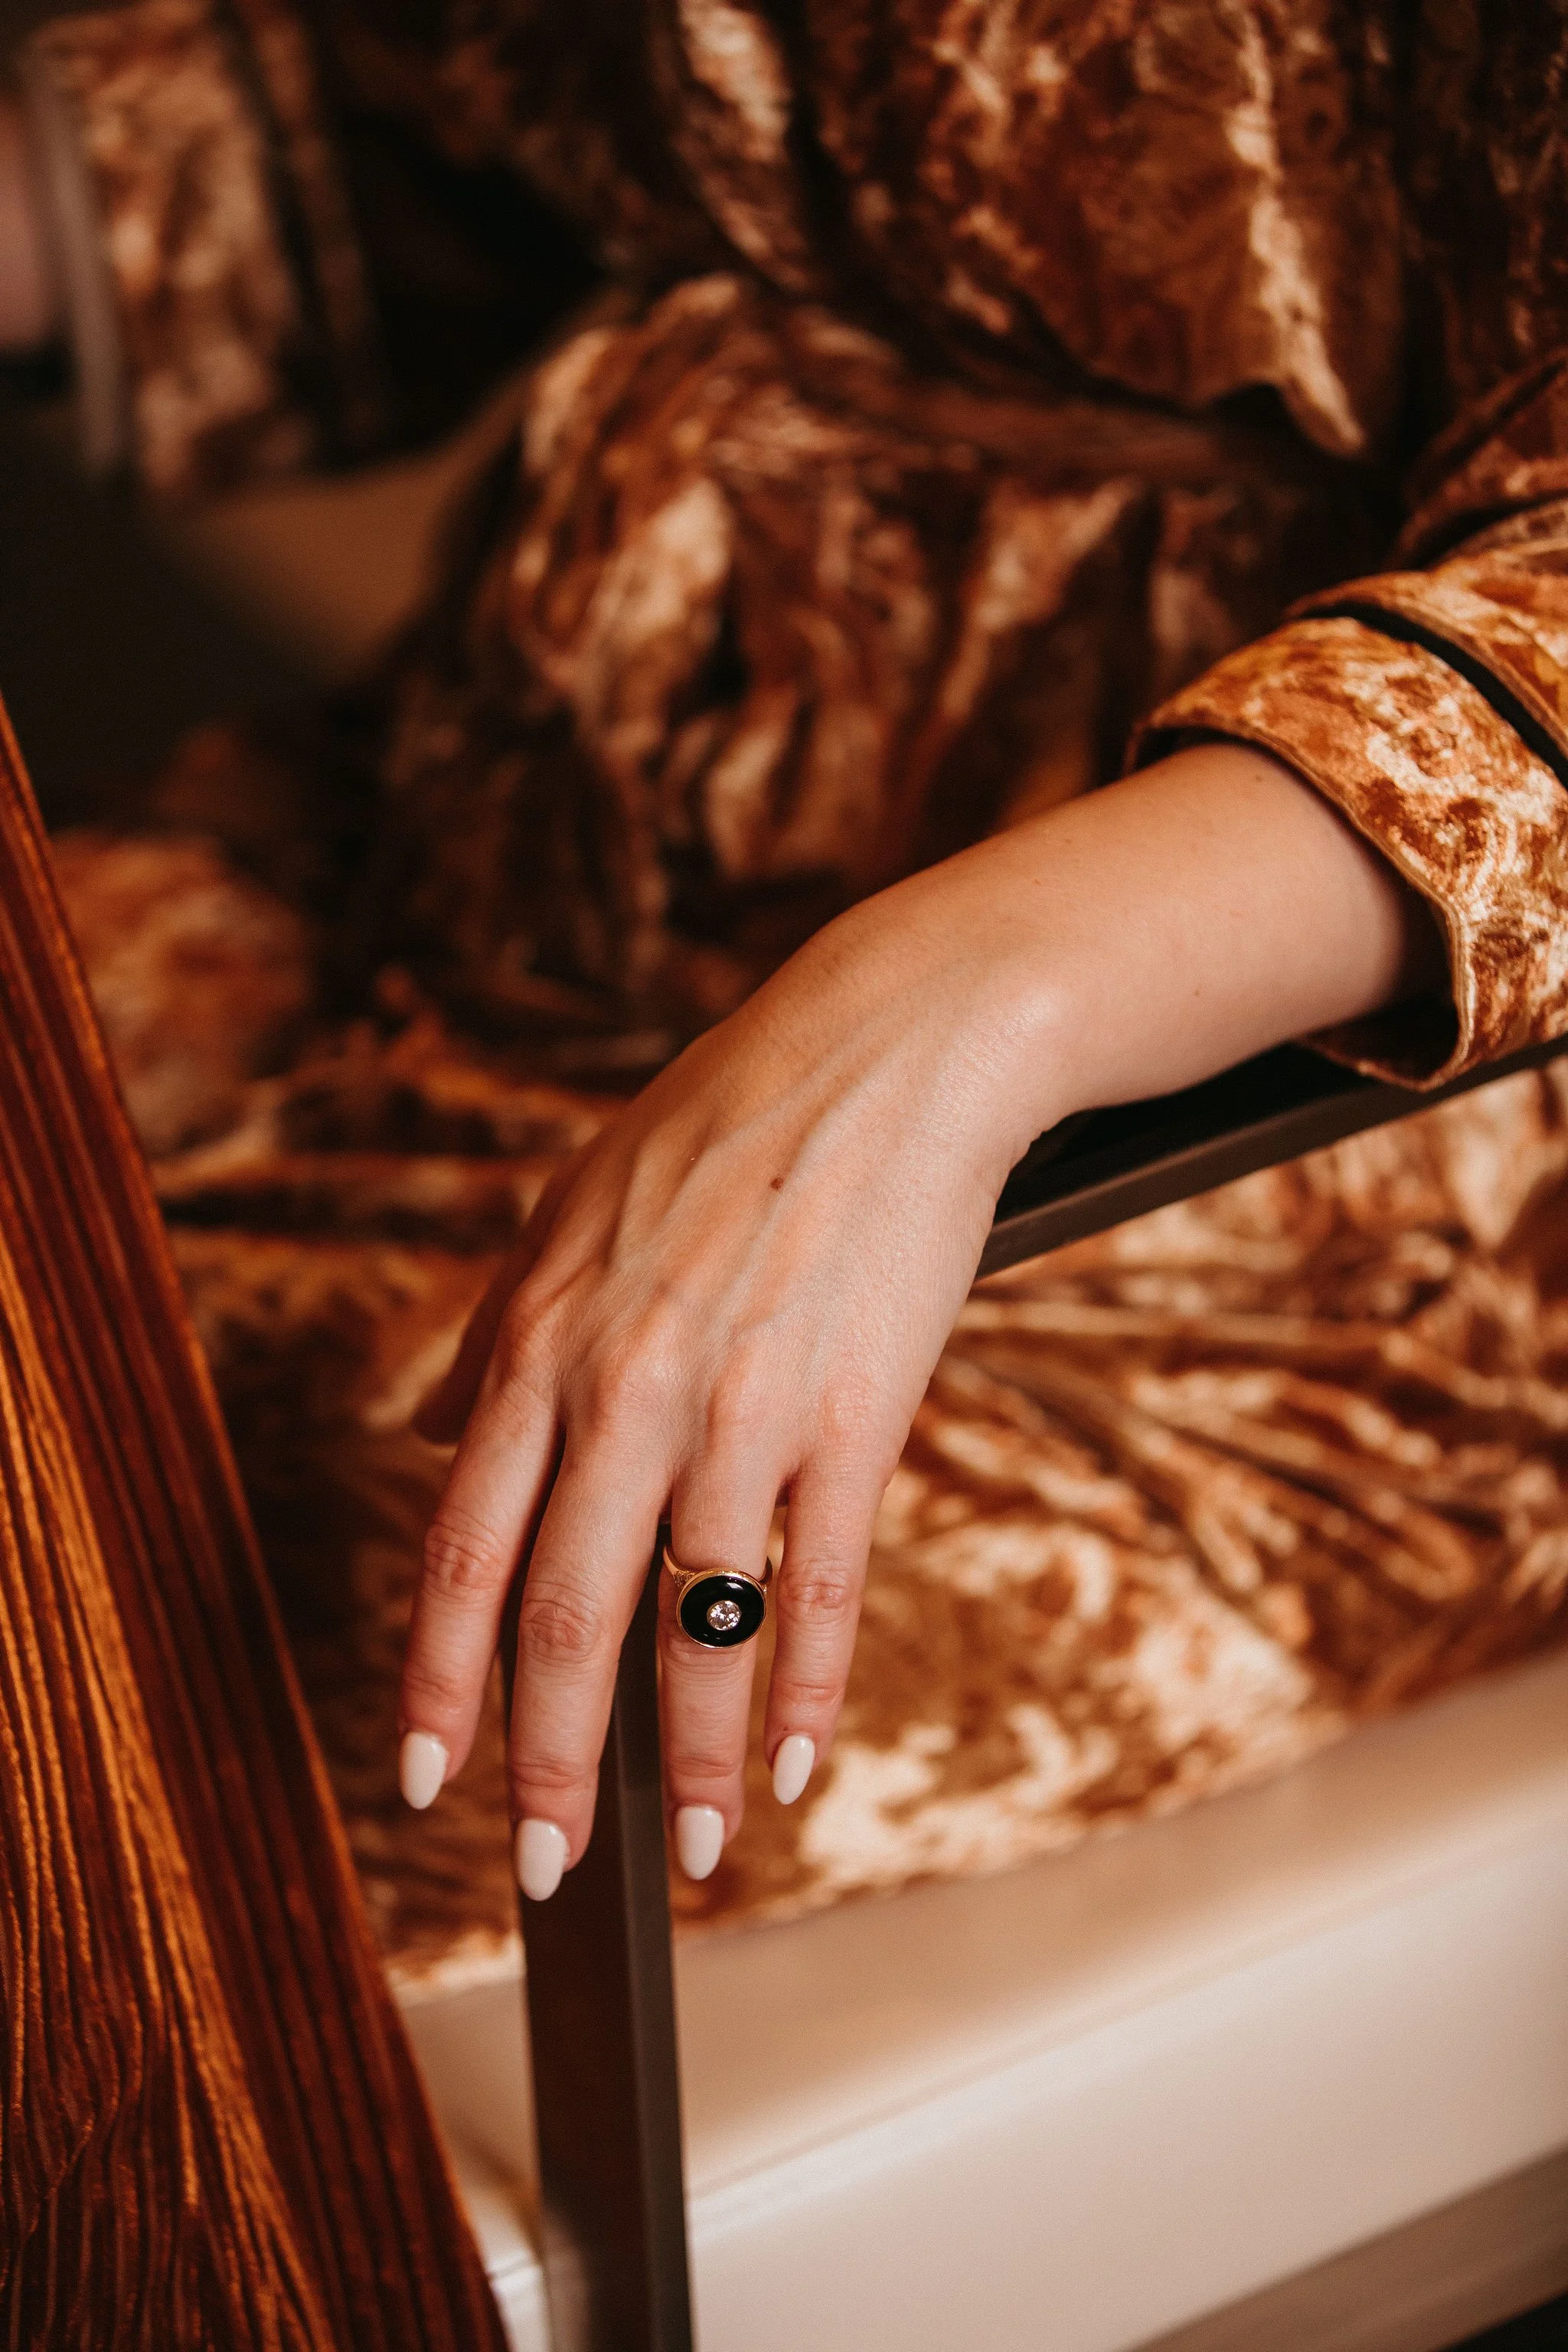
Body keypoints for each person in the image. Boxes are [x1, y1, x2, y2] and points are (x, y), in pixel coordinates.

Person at [4, 1, 1566, 1915]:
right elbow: (475, 114)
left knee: (150, 1679)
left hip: (1273, 1137)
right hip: (499, 836)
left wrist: (962, 1009)